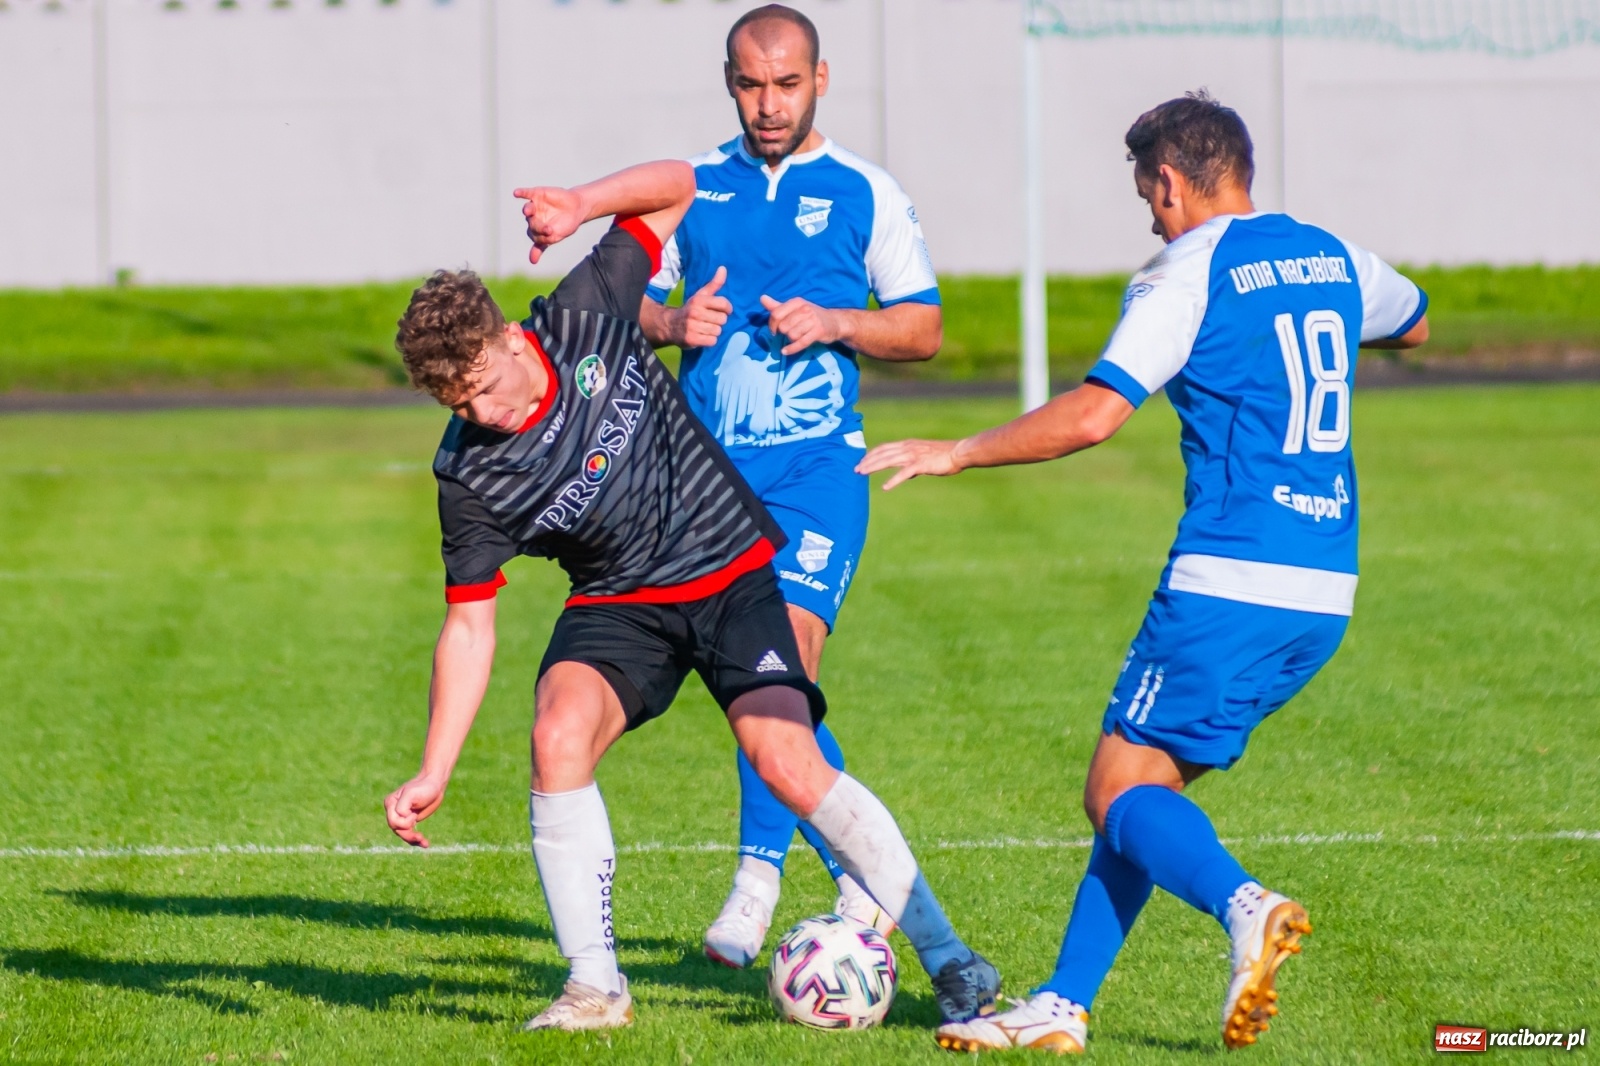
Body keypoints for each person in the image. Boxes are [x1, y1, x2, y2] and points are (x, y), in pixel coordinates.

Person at [858, 92, 1429, 1054]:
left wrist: (958, 450)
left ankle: (1246, 907)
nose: (1150, 217)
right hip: (1326, 589)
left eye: (1148, 198)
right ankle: (1063, 1005)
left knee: (1117, 796)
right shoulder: (1331, 253)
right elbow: (1410, 324)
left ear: (1169, 180)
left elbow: (1093, 414)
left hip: (1229, 581)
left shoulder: (1186, 271)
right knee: (1141, 793)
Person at [381, 158, 999, 1032]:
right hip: (618, 600)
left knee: (788, 759)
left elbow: (678, 186)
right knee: (557, 732)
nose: (477, 412)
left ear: (513, 341)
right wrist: (434, 767)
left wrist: (584, 205)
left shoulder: (582, 312)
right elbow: (469, 626)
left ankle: (951, 960)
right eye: (455, 401)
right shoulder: (469, 472)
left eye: (481, 387)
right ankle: (596, 988)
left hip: (724, 564)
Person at [639, 3, 944, 970]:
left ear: (822, 78)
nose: (767, 104)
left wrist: (842, 323)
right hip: (711, 480)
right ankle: (865, 876)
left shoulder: (865, 192)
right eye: (749, 83)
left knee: (788, 664)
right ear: (727, 82)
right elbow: (624, 303)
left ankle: (756, 881)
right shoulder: (691, 189)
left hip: (818, 470)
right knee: (761, 691)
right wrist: (670, 320)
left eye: (786, 83)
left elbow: (925, 329)